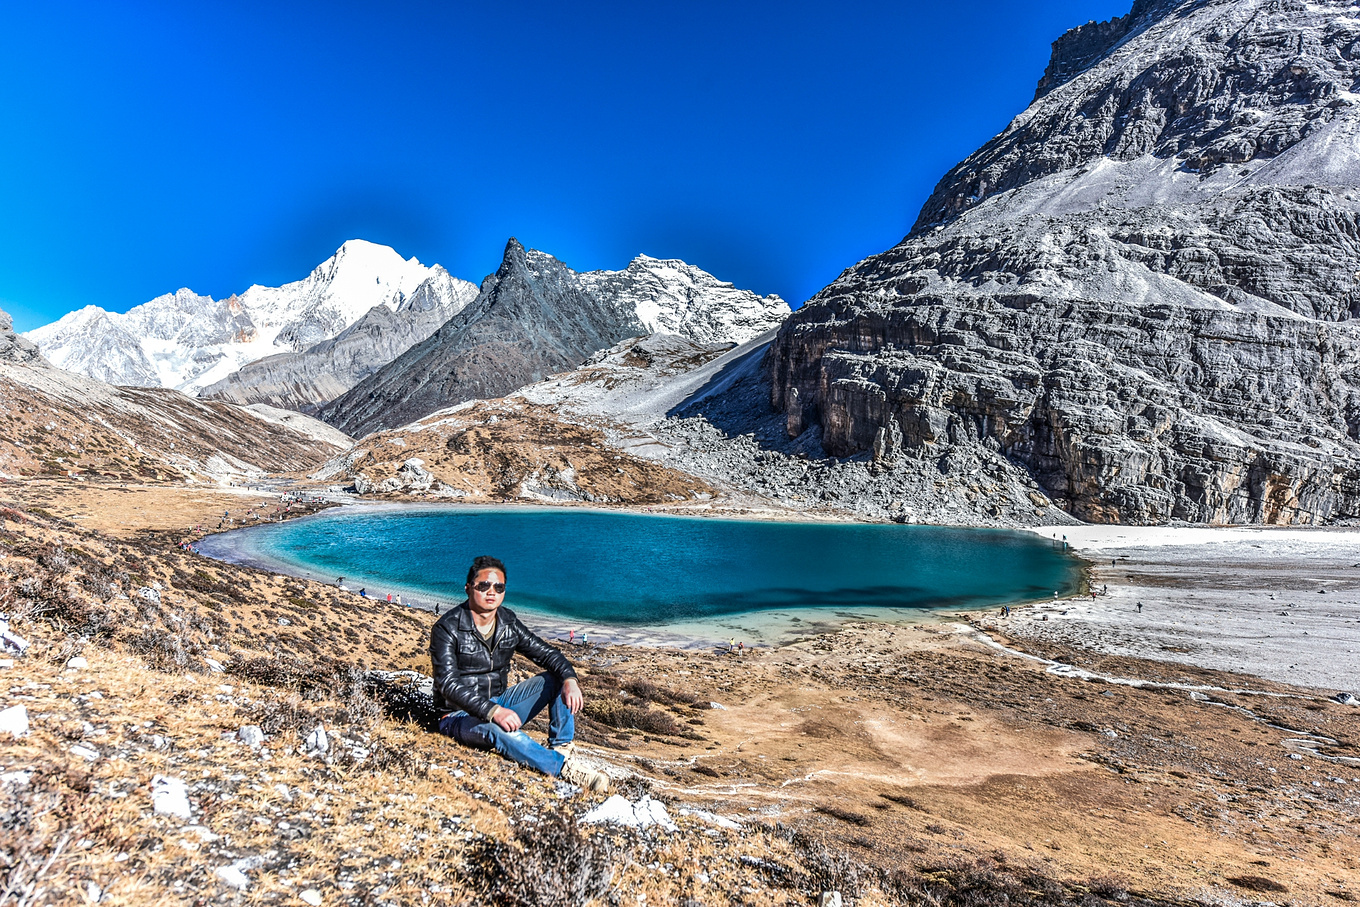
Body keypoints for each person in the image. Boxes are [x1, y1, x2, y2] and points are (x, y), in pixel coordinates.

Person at [429, 555, 608, 793]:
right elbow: (447, 684)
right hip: (457, 717)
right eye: (483, 586)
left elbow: (547, 654)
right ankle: (565, 770)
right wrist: (492, 711)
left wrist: (570, 679)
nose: (491, 592)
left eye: (499, 587)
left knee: (556, 678)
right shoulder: (447, 628)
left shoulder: (508, 623)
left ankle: (561, 748)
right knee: (497, 728)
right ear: (468, 588)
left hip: (500, 704)